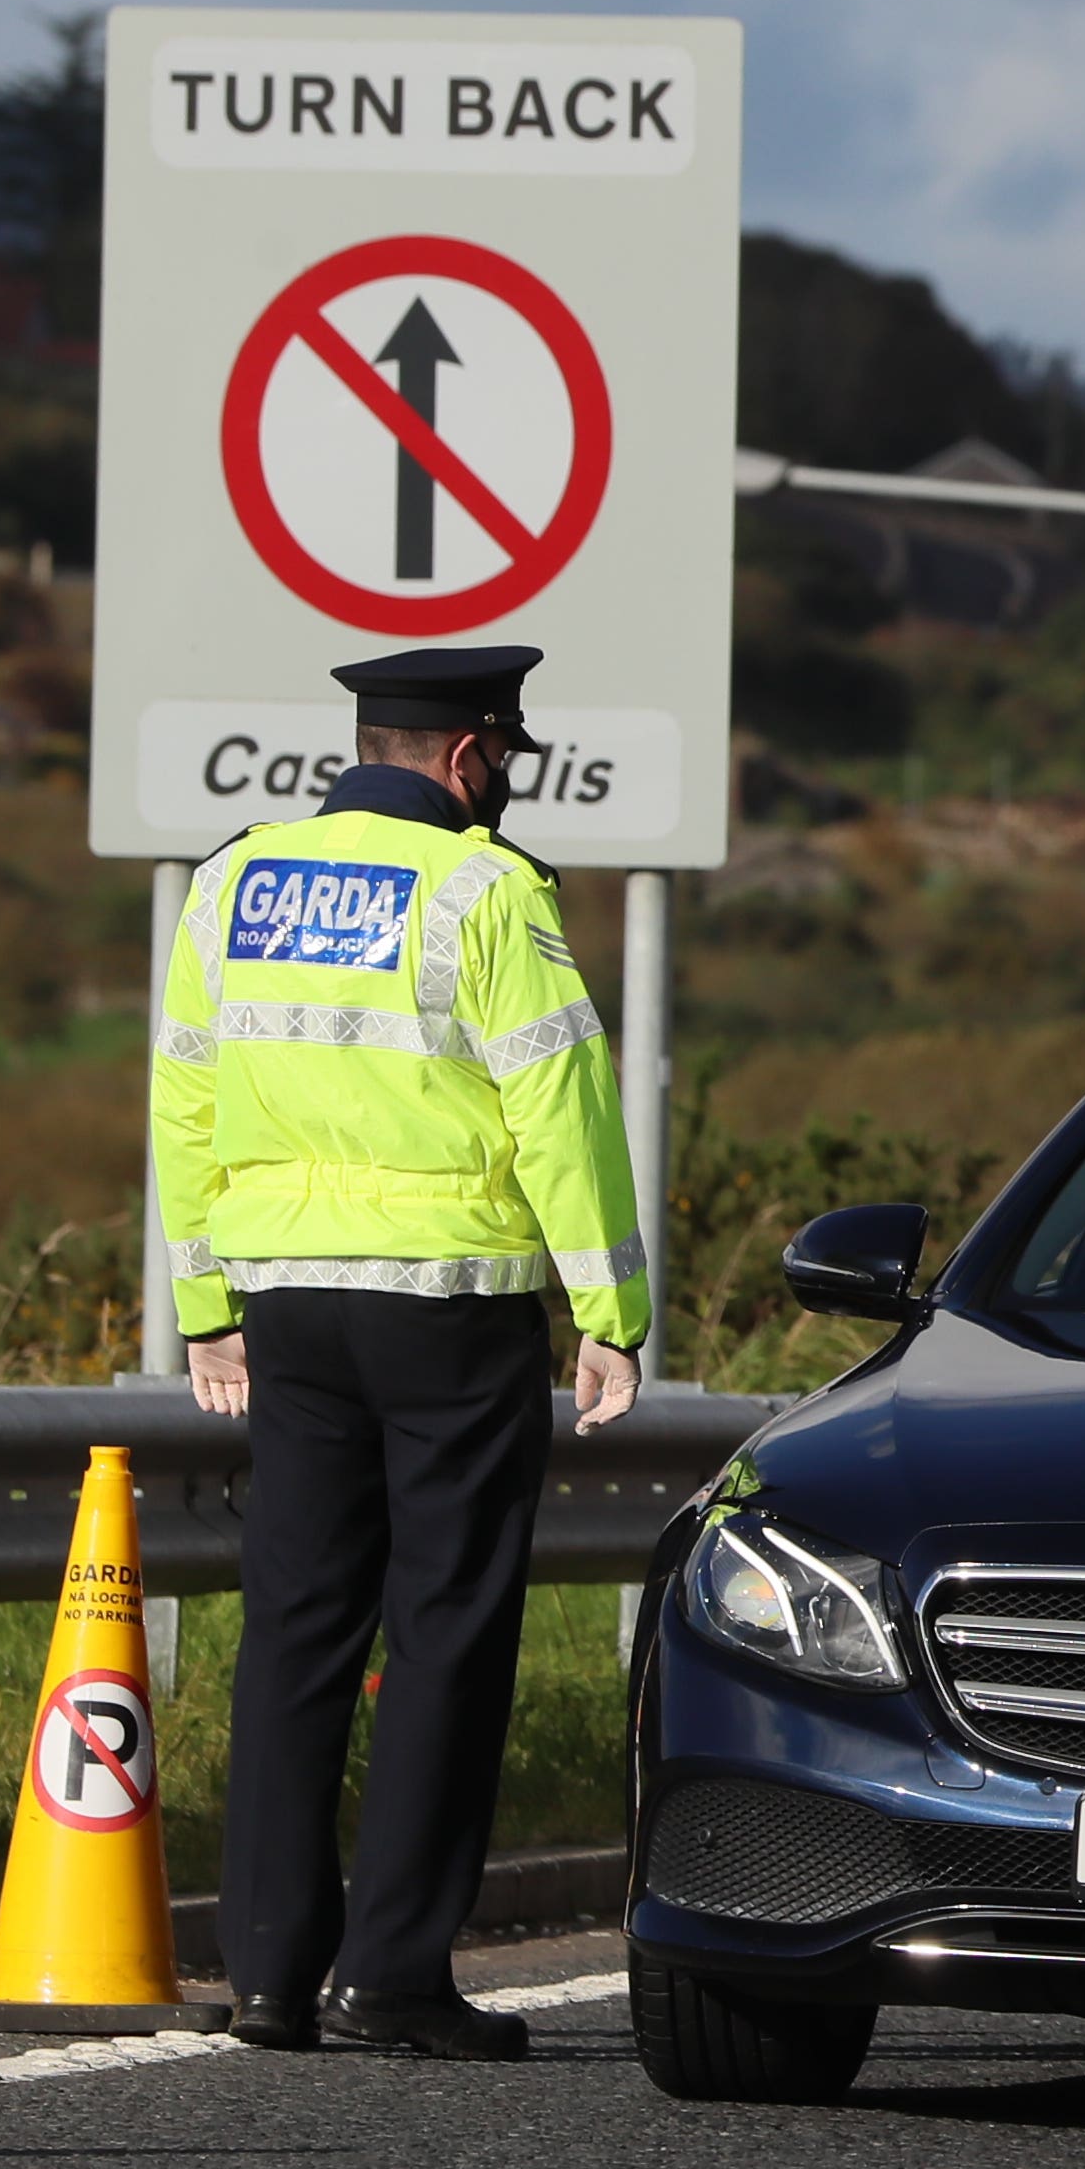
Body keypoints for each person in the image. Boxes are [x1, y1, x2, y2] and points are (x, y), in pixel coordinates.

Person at [157, 644, 646, 2062]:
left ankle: (267, 1971)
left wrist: (204, 1301)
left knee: (296, 1624)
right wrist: (608, 1309)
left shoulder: (234, 878)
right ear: (467, 754)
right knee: (446, 1628)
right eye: (507, 758)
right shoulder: (486, 891)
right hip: (448, 1304)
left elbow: (184, 1092)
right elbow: (561, 1104)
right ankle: (392, 1976)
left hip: (286, 1304)